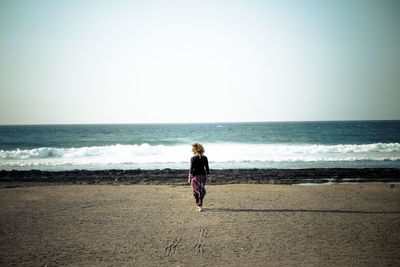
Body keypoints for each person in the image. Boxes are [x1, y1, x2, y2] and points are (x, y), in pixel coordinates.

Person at [188, 143, 210, 211]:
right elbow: (207, 168)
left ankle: (199, 204)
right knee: (201, 190)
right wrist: (208, 176)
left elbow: (191, 169)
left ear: (194, 150)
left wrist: (189, 178)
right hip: (203, 177)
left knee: (196, 192)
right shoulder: (205, 158)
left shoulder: (193, 158)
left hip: (195, 177)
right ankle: (200, 204)